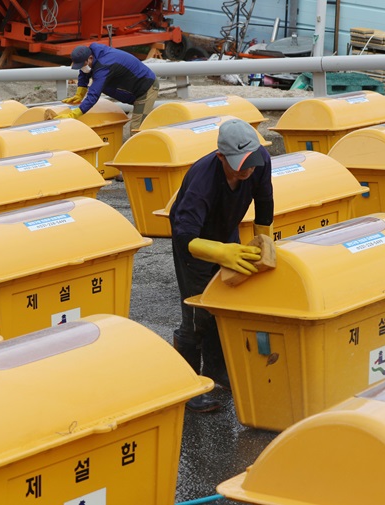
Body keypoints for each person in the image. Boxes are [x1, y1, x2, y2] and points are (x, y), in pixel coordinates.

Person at [169, 118, 274, 413]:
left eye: (251, 161)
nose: (249, 169)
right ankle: (188, 385)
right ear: (221, 158)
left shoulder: (260, 161)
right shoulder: (203, 180)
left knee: (223, 304)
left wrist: (264, 243)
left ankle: (216, 372)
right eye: (241, 164)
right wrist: (218, 252)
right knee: (197, 311)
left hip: (226, 233)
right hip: (195, 243)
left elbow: (264, 203)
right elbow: (184, 235)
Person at [54, 43, 159, 131]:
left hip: (145, 89)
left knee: (136, 130)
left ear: (90, 58)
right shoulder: (92, 54)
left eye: (82, 64)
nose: (81, 68)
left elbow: (94, 94)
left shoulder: (104, 65)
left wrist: (74, 115)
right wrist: (80, 94)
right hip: (130, 86)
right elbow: (84, 73)